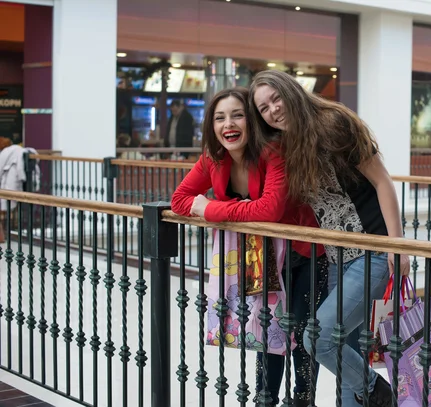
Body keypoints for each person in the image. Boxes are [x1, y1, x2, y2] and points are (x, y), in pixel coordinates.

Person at [248, 70, 411, 407]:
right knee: (345, 348)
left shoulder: (333, 123)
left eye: (276, 98)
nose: (273, 110)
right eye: (264, 108)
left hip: (373, 251)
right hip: (337, 259)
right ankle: (371, 393)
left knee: (318, 339)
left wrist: (399, 245)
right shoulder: (285, 146)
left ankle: (379, 392)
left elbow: (382, 181)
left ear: (292, 91)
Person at [170, 87, 328, 407]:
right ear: (212, 127)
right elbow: (179, 200)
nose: (229, 124)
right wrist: (228, 207)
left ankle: (303, 400)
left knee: (299, 335)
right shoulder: (213, 159)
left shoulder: (273, 152)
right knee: (265, 329)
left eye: (238, 115)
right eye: (219, 117)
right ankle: (265, 400)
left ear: (252, 121)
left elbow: (269, 210)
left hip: (302, 254)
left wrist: (212, 209)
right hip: (261, 257)